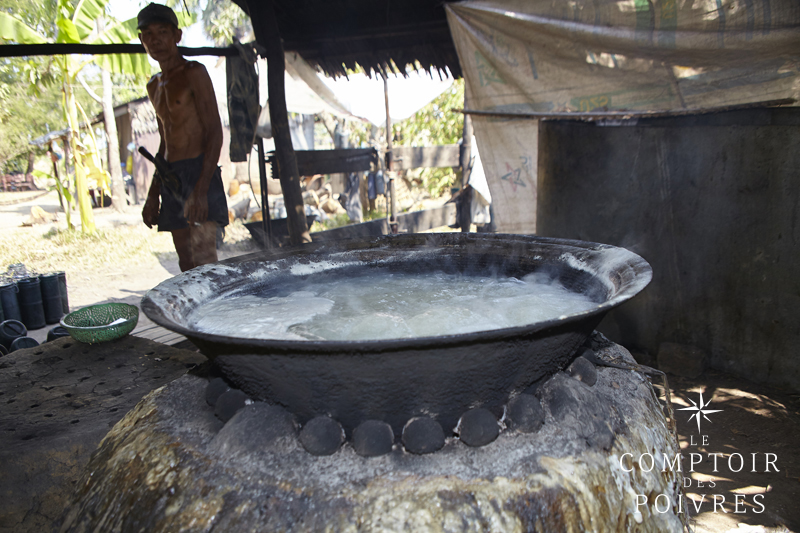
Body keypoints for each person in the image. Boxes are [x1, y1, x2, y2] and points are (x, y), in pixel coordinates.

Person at [138, 3, 228, 272]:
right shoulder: (153, 85)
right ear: (142, 40)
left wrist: (201, 189)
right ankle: (196, 316)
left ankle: (218, 315)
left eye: (162, 32)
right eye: (148, 34)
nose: (155, 40)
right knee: (186, 264)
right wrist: (154, 193)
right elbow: (165, 143)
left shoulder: (194, 73)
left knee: (204, 260)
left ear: (177, 36)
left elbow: (214, 131)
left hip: (199, 171)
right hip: (171, 176)